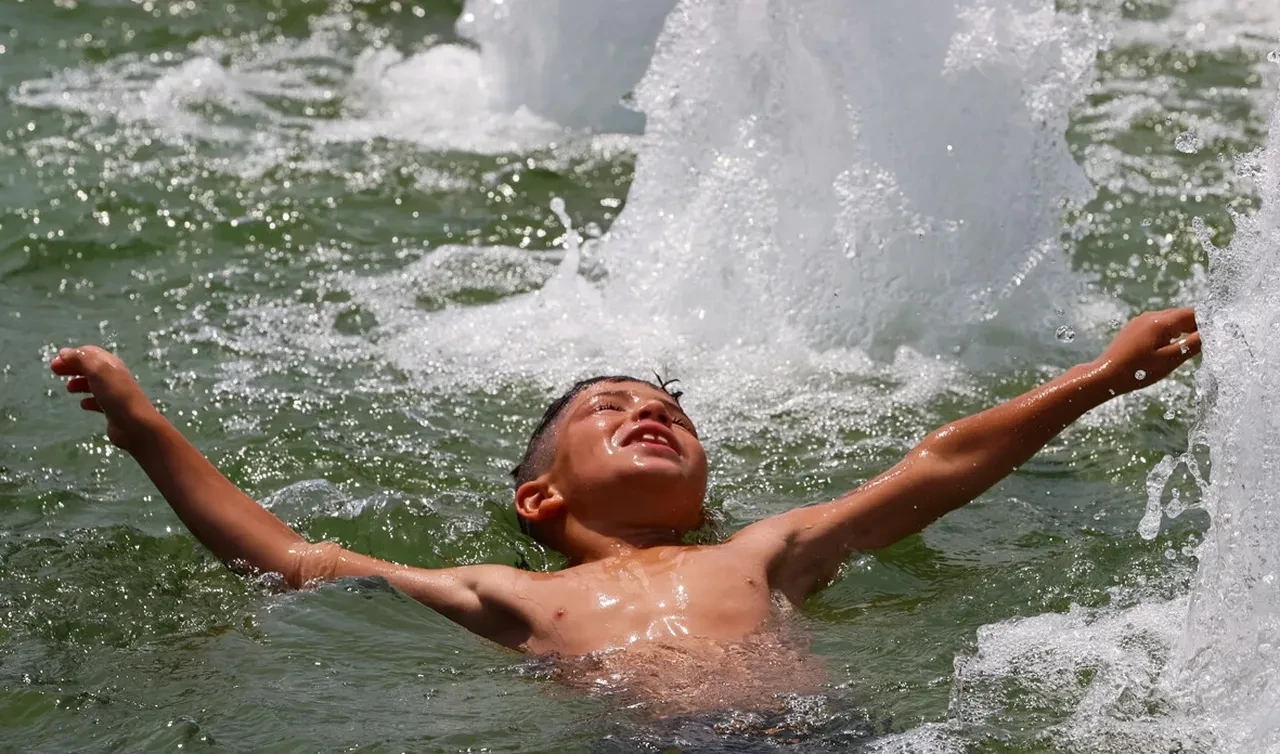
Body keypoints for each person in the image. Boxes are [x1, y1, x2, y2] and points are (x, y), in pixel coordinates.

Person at [49, 308, 1200, 708]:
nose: (650, 415)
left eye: (669, 413)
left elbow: (936, 465)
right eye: (610, 409)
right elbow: (291, 557)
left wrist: (1094, 380)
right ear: (539, 495)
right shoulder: (513, 594)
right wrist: (145, 425)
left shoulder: (766, 550)